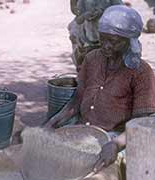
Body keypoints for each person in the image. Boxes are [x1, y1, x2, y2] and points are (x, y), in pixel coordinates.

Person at [44, 5, 155, 177]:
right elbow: (76, 100)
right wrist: (52, 122)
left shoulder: (141, 72)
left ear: (129, 41)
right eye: (103, 39)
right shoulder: (92, 59)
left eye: (114, 41)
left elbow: (140, 124)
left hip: (115, 138)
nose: (106, 46)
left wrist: (116, 145)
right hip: (83, 131)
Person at [68, 0, 123, 71]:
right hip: (89, 38)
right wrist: (85, 15)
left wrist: (103, 13)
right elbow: (78, 19)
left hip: (109, 37)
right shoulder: (83, 2)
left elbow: (121, 12)